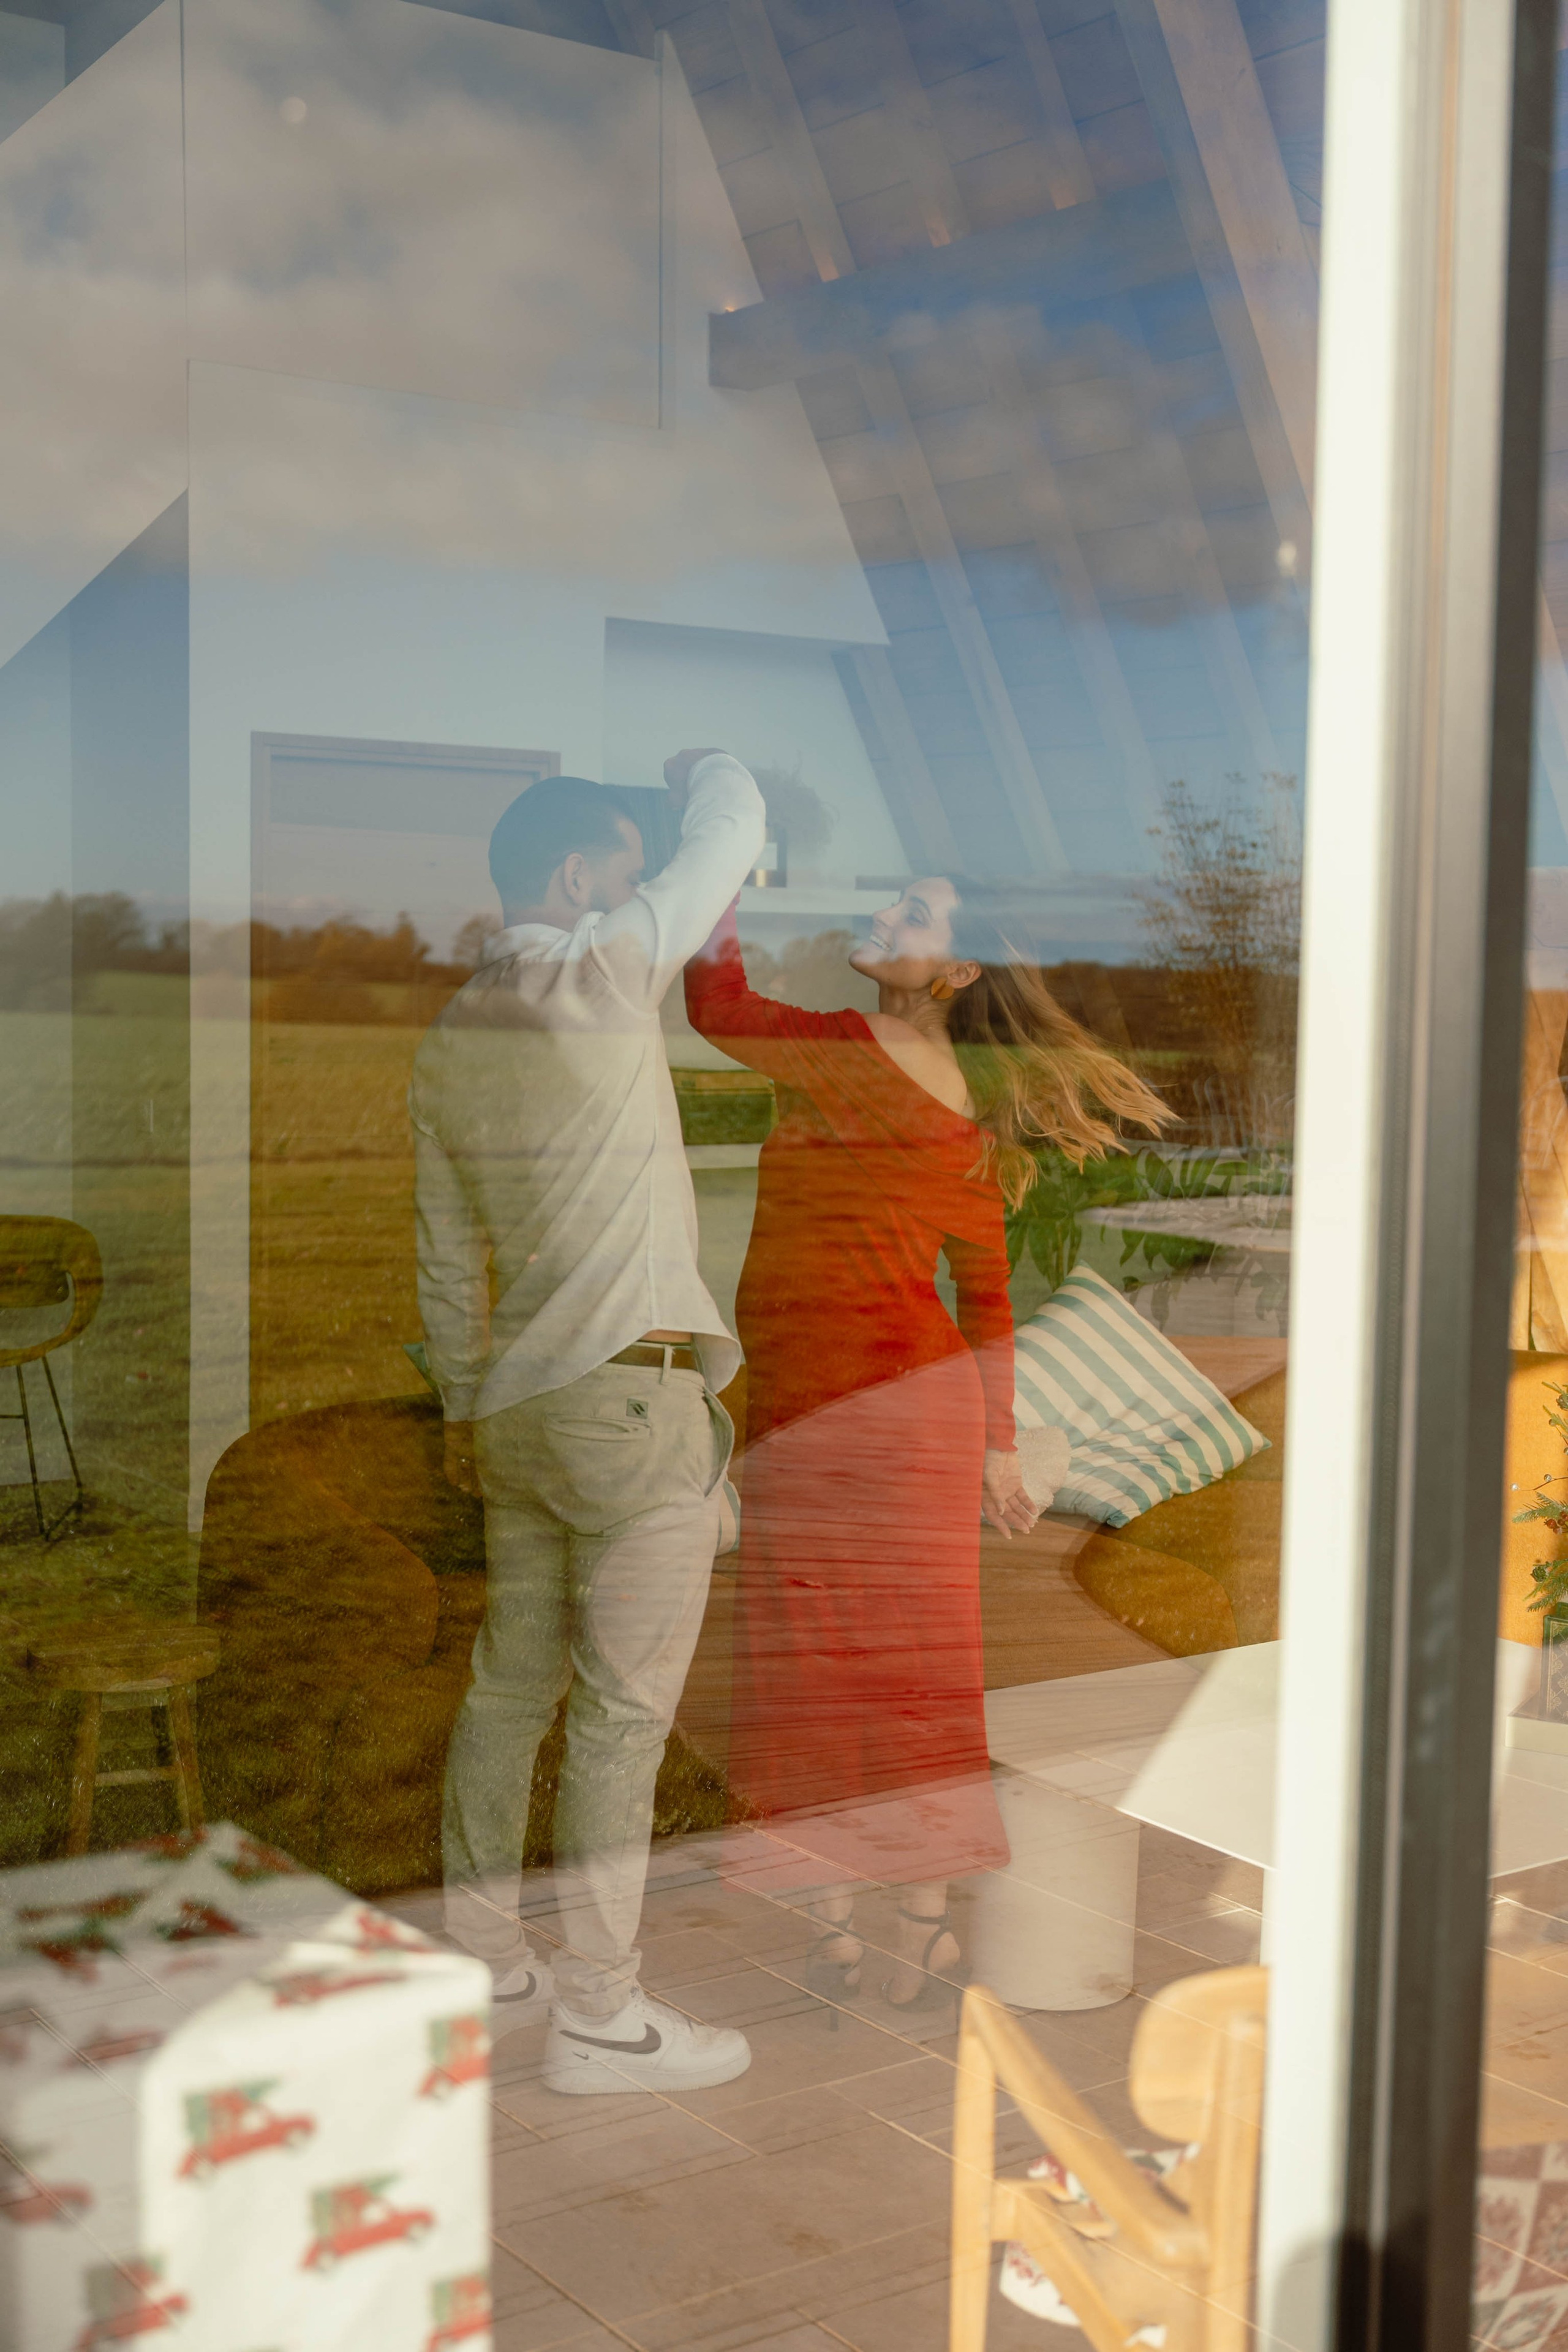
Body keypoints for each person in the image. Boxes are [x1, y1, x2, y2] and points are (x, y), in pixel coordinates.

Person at [684, 875, 1168, 2007]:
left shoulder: (848, 1051)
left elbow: (716, 1006)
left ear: (956, 975)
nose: (886, 916)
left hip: (852, 1415)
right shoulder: (961, 1113)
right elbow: (988, 1302)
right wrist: (996, 1445)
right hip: (879, 1414)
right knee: (901, 1671)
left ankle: (854, 1921)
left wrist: (713, 869)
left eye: (916, 916)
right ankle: (909, 1922)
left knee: (821, 1663)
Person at [411, 751, 764, 2095]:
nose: (638, 884)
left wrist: (460, 1405)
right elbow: (728, 833)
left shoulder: (450, 1038)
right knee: (621, 1721)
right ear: (579, 878)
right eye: (625, 863)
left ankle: (484, 1958)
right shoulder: (602, 969)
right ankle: (602, 2018)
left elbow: (446, 1264)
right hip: (630, 1404)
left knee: (508, 1690)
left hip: (516, 1408)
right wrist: (710, 772)